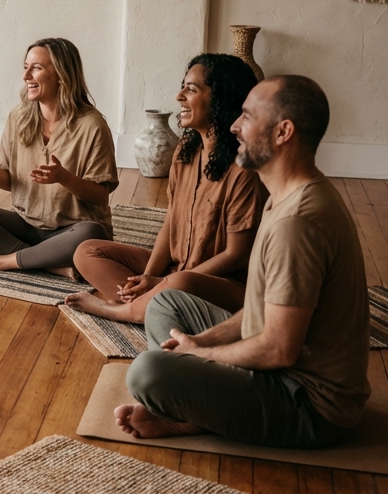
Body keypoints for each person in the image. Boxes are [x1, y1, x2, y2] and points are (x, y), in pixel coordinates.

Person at [116, 75, 370, 448]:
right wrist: (198, 342)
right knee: (166, 301)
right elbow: (260, 316)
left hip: (310, 405)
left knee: (147, 372)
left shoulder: (298, 222)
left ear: (283, 132)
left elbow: (278, 348)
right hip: (279, 370)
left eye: (247, 116)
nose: (234, 125)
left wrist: (202, 356)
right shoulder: (282, 195)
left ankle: (192, 406)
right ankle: (198, 408)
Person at [64, 54, 265, 322]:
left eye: (191, 89)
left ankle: (121, 310)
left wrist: (164, 282)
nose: (179, 96)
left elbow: (236, 255)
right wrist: (147, 277)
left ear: (221, 100)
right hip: (177, 270)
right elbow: (171, 221)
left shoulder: (244, 169)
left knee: (180, 283)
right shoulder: (185, 151)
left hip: (222, 285)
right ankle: (147, 304)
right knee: (86, 251)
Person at [0, 38, 117, 276]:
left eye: (36, 68)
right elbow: (8, 180)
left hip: (74, 229)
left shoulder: (92, 125)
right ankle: (50, 263)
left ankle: (0, 261)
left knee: (92, 235)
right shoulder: (19, 117)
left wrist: (64, 178)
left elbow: (100, 196)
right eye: (26, 67)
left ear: (62, 75)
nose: (26, 76)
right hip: (27, 225)